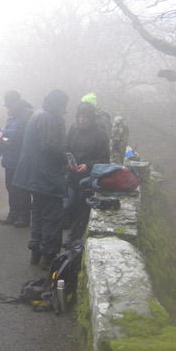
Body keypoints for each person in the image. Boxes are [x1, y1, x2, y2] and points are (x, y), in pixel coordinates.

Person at [13, 89, 69, 270]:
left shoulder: (38, 114)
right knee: (52, 216)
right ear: (57, 104)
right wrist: (66, 160)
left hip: (33, 175)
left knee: (37, 214)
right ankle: (48, 255)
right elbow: (50, 147)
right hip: (46, 176)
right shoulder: (47, 118)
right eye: (63, 106)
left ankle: (35, 253)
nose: (65, 111)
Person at [63, 101, 110, 247]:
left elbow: (104, 159)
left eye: (85, 117)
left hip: (88, 180)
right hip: (72, 176)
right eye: (80, 117)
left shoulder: (100, 134)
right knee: (69, 207)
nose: (82, 120)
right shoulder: (74, 128)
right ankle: (72, 233)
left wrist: (88, 166)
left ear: (91, 118)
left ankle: (73, 239)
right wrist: (69, 160)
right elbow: (66, 147)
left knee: (82, 210)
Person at [0, 91, 33, 227]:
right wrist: (1, 136)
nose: (7, 109)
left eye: (9, 105)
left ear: (15, 103)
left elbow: (19, 134)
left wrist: (3, 133)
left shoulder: (26, 116)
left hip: (21, 159)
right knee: (11, 187)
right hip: (10, 159)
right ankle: (13, 214)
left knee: (22, 189)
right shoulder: (12, 117)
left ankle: (24, 217)